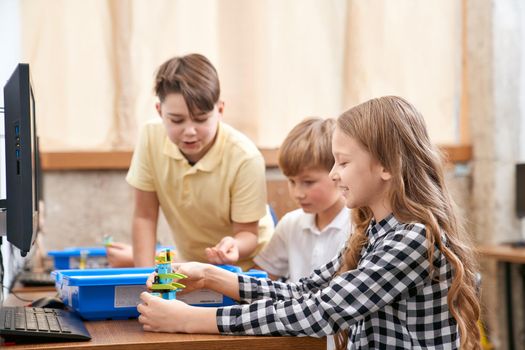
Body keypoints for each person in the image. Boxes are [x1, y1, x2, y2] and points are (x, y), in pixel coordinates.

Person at [137, 96, 481, 349]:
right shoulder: (374, 233)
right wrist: (211, 277)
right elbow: (304, 290)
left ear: (386, 167)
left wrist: (190, 320)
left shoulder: (411, 240)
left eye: (343, 163)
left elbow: (321, 311)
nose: (334, 174)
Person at [107, 53, 274, 270]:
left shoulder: (245, 157)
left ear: (220, 110)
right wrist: (146, 278)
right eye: (176, 120)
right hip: (192, 264)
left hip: (252, 266)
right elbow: (145, 217)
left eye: (201, 119)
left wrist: (233, 246)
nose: (190, 132)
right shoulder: (150, 136)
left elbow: (248, 235)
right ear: (160, 111)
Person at [253, 118, 350, 282]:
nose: (298, 193)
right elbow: (259, 278)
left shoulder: (359, 227)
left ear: (337, 171)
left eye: (308, 182)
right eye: (292, 181)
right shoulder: (290, 224)